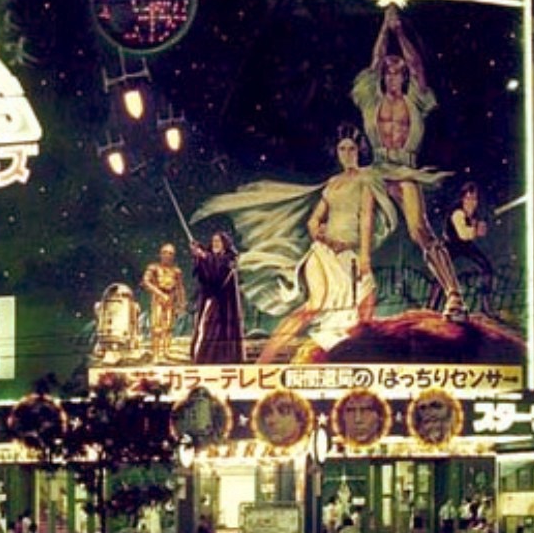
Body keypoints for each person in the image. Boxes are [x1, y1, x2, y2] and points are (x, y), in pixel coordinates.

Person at [191, 126, 396, 365]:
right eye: (342, 149)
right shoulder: (333, 183)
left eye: (351, 149)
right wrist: (317, 232)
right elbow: (314, 219)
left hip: (349, 253)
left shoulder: (365, 180)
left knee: (365, 304)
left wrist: (365, 257)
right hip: (323, 253)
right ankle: (263, 362)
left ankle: (355, 359)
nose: (347, 154)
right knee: (314, 305)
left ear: (359, 151)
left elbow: (367, 218)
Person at [350, 2, 466, 320]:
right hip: (376, 171)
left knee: (420, 231)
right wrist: (383, 27)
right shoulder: (371, 99)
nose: (393, 77)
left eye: (398, 73)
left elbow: (416, 66)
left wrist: (398, 31)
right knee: (357, 230)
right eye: (389, 73)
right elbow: (375, 61)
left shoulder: (414, 99)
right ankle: (350, 299)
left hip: (404, 170)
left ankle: (454, 295)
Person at [429, 181, 497, 316]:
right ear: (463, 199)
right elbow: (463, 234)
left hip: (465, 246)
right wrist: (475, 229)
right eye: (468, 198)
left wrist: (480, 228)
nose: (471, 202)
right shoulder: (457, 213)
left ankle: (486, 306)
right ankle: (431, 308)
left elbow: (476, 233)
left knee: (486, 268)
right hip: (450, 245)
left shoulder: (474, 213)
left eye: (474, 199)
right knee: (441, 276)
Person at [188, 232, 245, 364]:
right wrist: (199, 257)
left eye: (218, 241)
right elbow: (205, 278)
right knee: (206, 328)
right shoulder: (212, 257)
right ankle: (205, 358)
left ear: (224, 244)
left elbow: (219, 273)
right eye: (213, 241)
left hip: (224, 304)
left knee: (219, 330)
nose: (215, 244)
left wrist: (204, 256)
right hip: (211, 300)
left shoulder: (229, 259)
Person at [141, 242, 187, 363]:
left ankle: (166, 352)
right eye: (165, 253)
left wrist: (182, 303)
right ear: (160, 254)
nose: (168, 256)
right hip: (158, 298)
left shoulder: (176, 271)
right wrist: (159, 293)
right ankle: (156, 354)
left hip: (171, 298)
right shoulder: (153, 268)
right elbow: (146, 281)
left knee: (168, 327)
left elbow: (180, 287)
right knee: (157, 326)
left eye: (171, 253)